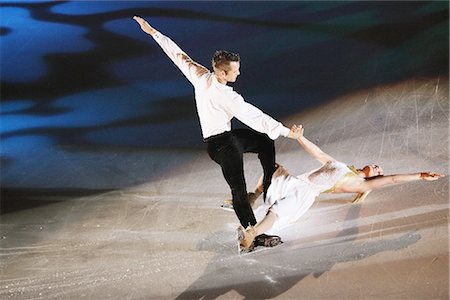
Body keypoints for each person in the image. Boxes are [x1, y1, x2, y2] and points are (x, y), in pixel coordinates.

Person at [133, 16, 301, 245]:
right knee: (238, 187)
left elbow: (178, 56)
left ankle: (269, 186)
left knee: (263, 142)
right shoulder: (229, 97)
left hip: (227, 139)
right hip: (221, 146)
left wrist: (153, 32)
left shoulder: (201, 76)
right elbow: (255, 116)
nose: (238, 74)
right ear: (222, 73)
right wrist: (286, 132)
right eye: (235, 70)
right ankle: (254, 235)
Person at [238, 125, 445, 251]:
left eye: (378, 170)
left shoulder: (360, 183)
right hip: (296, 181)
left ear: (374, 179)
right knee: (272, 168)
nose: (376, 167)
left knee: (277, 210)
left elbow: (392, 180)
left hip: (307, 192)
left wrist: (420, 175)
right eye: (376, 165)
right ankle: (253, 196)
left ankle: (253, 234)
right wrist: (300, 136)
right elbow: (317, 153)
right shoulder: (343, 166)